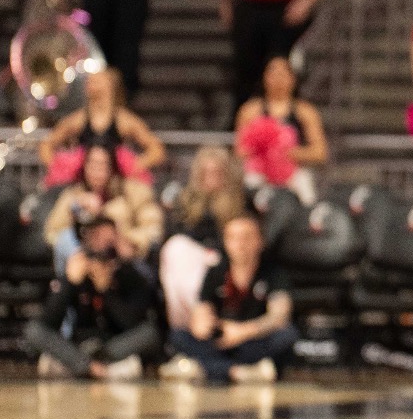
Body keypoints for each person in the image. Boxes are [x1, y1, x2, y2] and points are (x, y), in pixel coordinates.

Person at [163, 214, 296, 385]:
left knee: (287, 335)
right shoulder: (216, 271)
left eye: (246, 237)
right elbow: (203, 309)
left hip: (253, 339)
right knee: (178, 336)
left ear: (260, 241)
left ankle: (206, 368)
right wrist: (200, 323)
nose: (240, 244)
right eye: (233, 238)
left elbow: (279, 316)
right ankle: (239, 372)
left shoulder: (274, 273)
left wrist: (243, 331)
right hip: (222, 341)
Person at [26, 216, 160, 381]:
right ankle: (91, 368)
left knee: (149, 333)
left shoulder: (127, 273)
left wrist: (106, 291)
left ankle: (84, 367)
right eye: (95, 237)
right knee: (33, 331)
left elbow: (133, 323)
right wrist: (69, 283)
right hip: (78, 346)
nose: (101, 246)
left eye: (108, 240)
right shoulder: (76, 271)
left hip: (112, 346)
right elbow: (48, 323)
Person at [159, 146, 249, 329]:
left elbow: (240, 234)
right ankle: (188, 323)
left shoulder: (238, 200)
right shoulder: (185, 198)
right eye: (207, 172)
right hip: (193, 254)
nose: (211, 177)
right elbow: (175, 232)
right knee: (175, 250)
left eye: (216, 172)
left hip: (224, 255)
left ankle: (203, 323)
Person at [43, 142, 164, 275]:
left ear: (113, 167)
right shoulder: (73, 195)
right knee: (66, 238)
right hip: (82, 263)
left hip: (125, 260)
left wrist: (124, 239)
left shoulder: (135, 192)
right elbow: (53, 232)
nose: (97, 171)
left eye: (103, 165)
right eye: (92, 164)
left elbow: (153, 230)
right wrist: (76, 211)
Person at [234, 56, 329, 204]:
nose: (278, 79)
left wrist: (286, 153)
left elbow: (320, 152)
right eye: (273, 74)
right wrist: (263, 150)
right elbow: (239, 151)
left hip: (293, 172)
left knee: (306, 192)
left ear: (293, 79)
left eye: (283, 74)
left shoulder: (305, 111)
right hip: (260, 172)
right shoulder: (250, 110)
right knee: (248, 184)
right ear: (265, 77)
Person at [39, 67, 166, 174]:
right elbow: (46, 145)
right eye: (90, 81)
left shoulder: (124, 120)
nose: (90, 83)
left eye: (97, 81)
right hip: (83, 185)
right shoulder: (78, 119)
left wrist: (133, 167)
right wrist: (62, 169)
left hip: (116, 184)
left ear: (110, 85)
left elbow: (156, 150)